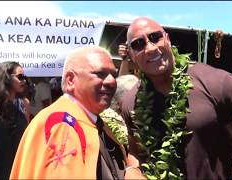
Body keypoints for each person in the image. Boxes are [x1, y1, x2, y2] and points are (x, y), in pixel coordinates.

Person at [119, 17, 232, 179]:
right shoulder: (131, 102)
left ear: (167, 39)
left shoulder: (217, 83)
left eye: (155, 37)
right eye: (138, 44)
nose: (150, 48)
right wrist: (132, 171)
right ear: (131, 54)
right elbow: (135, 151)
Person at [10, 46, 145, 179]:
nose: (111, 81)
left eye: (113, 75)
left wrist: (130, 171)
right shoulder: (62, 126)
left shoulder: (93, 121)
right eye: (100, 73)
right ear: (70, 80)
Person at [0, 61, 28, 179]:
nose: (24, 80)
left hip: (12, 168)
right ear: (7, 77)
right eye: (20, 77)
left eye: (25, 77)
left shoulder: (21, 106)